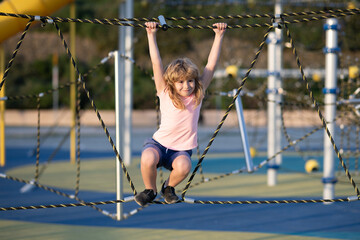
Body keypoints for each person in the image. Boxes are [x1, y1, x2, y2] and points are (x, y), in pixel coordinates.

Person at [134, 21, 227, 206]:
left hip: (181, 150)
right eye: (181, 82)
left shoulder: (197, 95)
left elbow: (211, 65)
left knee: (184, 167)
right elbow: (156, 62)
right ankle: (150, 190)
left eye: (190, 81)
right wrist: (151, 35)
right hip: (159, 144)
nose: (187, 86)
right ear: (172, 84)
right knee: (147, 158)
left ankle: (168, 188)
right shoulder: (164, 92)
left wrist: (219, 36)